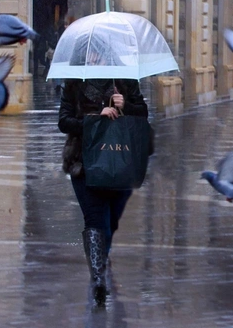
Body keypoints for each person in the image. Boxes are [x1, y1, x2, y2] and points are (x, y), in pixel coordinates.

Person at [58, 77, 149, 304]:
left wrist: (124, 106)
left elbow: (143, 114)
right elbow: (64, 122)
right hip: (83, 163)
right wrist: (93, 119)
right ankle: (98, 278)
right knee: (94, 220)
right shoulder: (74, 83)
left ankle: (103, 262)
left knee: (109, 223)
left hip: (118, 162)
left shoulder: (125, 81)